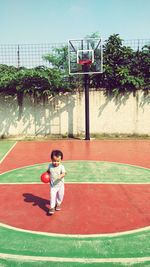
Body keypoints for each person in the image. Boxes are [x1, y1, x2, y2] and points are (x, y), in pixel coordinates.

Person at [47, 150, 66, 215]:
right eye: (54, 161)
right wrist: (46, 176)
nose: (56, 162)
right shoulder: (50, 166)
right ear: (51, 159)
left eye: (58, 161)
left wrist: (60, 176)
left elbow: (64, 173)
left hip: (60, 185)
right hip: (53, 186)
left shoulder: (61, 167)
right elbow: (48, 171)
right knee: (52, 196)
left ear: (61, 160)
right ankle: (52, 207)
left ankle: (58, 203)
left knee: (60, 196)